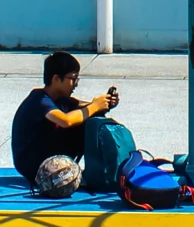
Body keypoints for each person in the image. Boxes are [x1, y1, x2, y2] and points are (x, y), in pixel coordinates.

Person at [11, 52, 119, 184]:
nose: (76, 84)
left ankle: (102, 172)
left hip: (44, 154)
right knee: (83, 124)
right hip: (31, 164)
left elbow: (85, 107)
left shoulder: (60, 99)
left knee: (90, 118)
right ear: (56, 79)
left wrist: (104, 105)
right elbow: (66, 121)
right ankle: (97, 175)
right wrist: (94, 107)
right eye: (73, 79)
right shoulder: (39, 100)